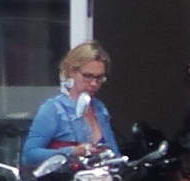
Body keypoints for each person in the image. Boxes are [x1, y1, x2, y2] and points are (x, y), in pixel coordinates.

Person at [22, 41, 119, 171]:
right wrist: (73, 151)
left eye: (100, 78)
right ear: (71, 71)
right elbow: (29, 155)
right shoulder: (54, 108)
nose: (94, 83)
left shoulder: (99, 108)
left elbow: (114, 154)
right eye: (88, 76)